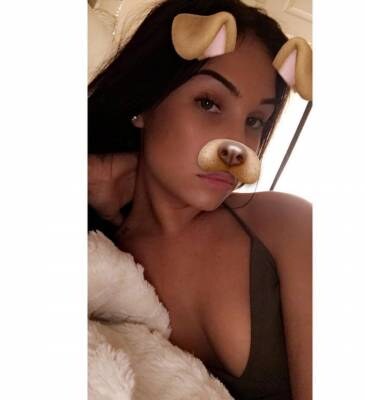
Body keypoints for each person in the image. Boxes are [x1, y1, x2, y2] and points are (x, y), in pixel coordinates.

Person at [88, 0, 311, 399]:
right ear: (145, 101)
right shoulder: (94, 248)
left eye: (254, 121)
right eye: (209, 103)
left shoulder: (286, 223)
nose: (237, 145)